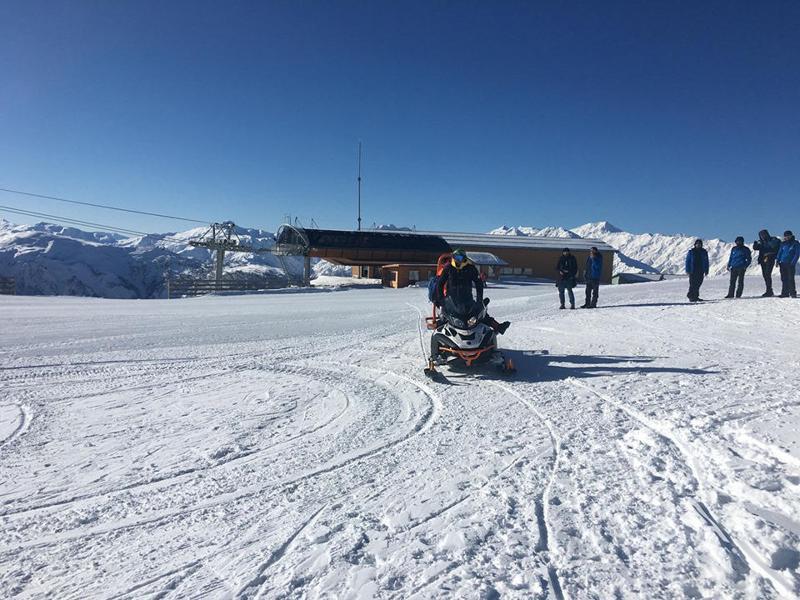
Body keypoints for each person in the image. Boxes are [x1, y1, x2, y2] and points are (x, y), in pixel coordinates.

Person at [435, 249, 510, 333]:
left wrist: (479, 299)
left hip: (467, 298)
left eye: (459, 258)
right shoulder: (448, 268)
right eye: (455, 257)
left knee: (479, 314)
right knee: (445, 317)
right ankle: (439, 333)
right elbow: (440, 284)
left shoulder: (470, 268)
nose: (457, 260)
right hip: (452, 299)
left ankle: (497, 326)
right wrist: (440, 299)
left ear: (464, 258)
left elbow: (478, 283)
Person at [753, 229, 781, 297]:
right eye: (761, 235)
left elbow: (775, 245)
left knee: (767, 274)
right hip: (763, 259)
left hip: (770, 258)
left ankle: (769, 290)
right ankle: (769, 290)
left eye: (764, 235)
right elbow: (756, 248)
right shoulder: (761, 242)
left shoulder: (773, 240)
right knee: (765, 275)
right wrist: (755, 245)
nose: (763, 236)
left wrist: (766, 242)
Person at [776, 230, 800, 298]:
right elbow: (780, 252)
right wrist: (778, 260)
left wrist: (793, 262)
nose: (787, 237)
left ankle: (793, 293)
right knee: (784, 279)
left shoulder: (795, 243)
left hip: (790, 264)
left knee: (790, 279)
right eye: (786, 236)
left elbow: (797, 254)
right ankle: (785, 293)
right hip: (782, 263)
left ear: (791, 236)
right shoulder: (783, 244)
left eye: (788, 236)